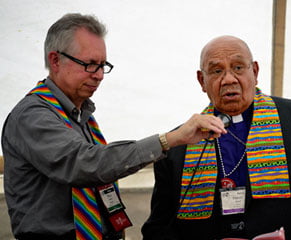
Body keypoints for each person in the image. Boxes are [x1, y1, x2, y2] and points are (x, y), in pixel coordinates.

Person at [1, 14, 227, 240]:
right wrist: (169, 139)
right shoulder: (32, 116)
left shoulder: (82, 115)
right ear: (55, 60)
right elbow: (87, 164)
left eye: (103, 65)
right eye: (89, 64)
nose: (99, 75)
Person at [141, 35, 291, 240]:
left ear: (254, 72)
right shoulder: (178, 145)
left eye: (238, 67)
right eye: (216, 71)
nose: (228, 79)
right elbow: (158, 228)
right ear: (202, 81)